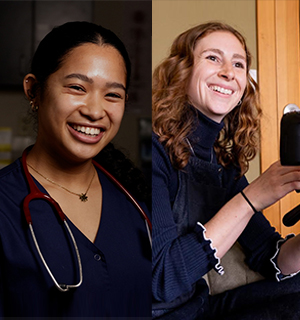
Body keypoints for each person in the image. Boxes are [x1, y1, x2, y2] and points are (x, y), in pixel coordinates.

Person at [0, 21, 151, 318]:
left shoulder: (136, 200)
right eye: (77, 88)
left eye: (112, 95)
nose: (95, 111)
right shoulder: (5, 206)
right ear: (34, 90)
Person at [152, 21, 300, 320]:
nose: (228, 72)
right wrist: (250, 199)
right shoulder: (153, 151)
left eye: (238, 64)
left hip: (202, 308)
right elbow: (161, 279)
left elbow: (269, 258)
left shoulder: (224, 166)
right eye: (213, 58)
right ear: (181, 71)